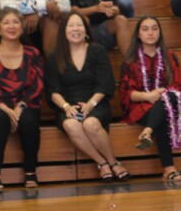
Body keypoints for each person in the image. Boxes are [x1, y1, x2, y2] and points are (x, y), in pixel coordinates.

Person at [45, 12, 130, 182]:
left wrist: (90, 105)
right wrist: (66, 107)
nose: (75, 29)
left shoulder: (97, 51)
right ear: (64, 31)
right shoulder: (55, 56)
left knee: (90, 123)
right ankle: (102, 163)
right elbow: (53, 90)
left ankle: (113, 162)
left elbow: (105, 84)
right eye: (71, 25)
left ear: (86, 30)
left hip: (96, 103)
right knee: (71, 124)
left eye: (79, 25)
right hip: (68, 106)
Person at [0, 7, 44, 192]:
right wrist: (8, 110)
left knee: (29, 119)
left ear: (22, 27)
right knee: (0, 118)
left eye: (15, 22)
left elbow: (37, 85)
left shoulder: (33, 53)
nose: (11, 26)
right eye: (6, 23)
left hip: (24, 104)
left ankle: (30, 171)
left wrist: (20, 107)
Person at [119, 15, 181, 182]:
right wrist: (147, 96)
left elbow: (178, 86)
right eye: (145, 29)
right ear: (138, 34)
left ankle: (148, 132)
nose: (150, 33)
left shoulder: (169, 56)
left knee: (168, 100)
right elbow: (126, 93)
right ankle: (169, 169)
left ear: (160, 32)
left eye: (154, 28)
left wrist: (161, 96)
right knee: (162, 116)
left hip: (167, 104)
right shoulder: (130, 61)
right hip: (140, 108)